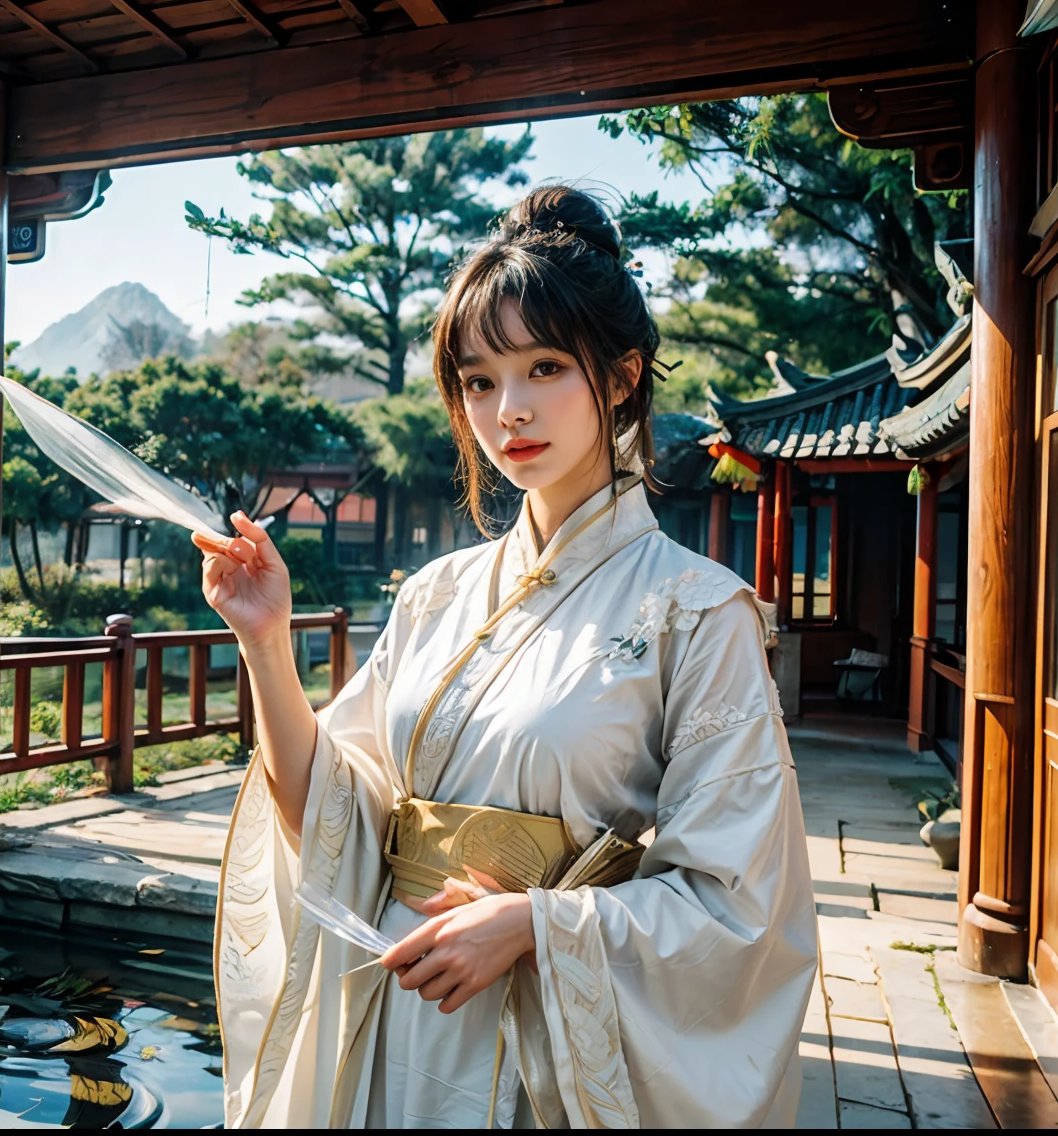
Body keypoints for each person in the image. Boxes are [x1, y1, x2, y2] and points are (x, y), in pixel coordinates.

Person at [195, 185, 817, 1128]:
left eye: (543, 368)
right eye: (479, 382)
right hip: (399, 1003)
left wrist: (536, 925)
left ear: (619, 378)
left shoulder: (699, 612)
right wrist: (266, 643)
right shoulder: (437, 593)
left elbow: (737, 904)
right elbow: (324, 811)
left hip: (549, 1033)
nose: (509, 412)